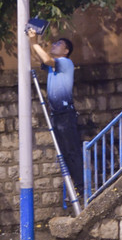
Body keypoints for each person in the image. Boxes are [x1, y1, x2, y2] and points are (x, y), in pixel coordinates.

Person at [27, 27, 84, 197]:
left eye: (58, 44)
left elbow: (45, 58)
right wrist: (32, 41)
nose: (54, 45)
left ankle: (82, 186)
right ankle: (75, 186)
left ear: (66, 51)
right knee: (64, 153)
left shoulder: (65, 63)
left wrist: (35, 42)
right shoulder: (53, 67)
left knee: (72, 151)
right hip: (56, 115)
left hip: (66, 114)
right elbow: (38, 59)